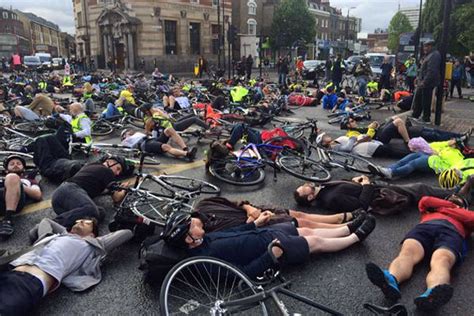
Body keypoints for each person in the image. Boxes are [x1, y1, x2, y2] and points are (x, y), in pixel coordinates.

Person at [163, 209, 376, 279]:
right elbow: (242, 273)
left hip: (264, 233)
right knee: (315, 242)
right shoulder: (203, 261)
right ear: (189, 239)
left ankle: (347, 227)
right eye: (193, 226)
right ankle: (355, 237)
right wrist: (271, 255)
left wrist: (255, 223)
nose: (198, 223)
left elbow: (234, 232)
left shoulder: (205, 239)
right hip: (271, 247)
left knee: (307, 230)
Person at [365, 177, 474, 311]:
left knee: (442, 260)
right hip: (426, 228)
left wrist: (446, 207)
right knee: (407, 253)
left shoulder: (437, 210)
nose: (452, 200)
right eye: (450, 198)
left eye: (457, 201)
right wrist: (455, 208)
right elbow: (425, 200)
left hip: (452, 232)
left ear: (465, 206)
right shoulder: (433, 208)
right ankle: (390, 279)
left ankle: (433, 293)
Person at [0, 217, 132, 315]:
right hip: (8, 269)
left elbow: (126, 233)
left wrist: (97, 239)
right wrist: (57, 233)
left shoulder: (90, 245)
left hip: (28, 282)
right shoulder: (56, 236)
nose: (80, 222)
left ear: (92, 234)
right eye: (79, 220)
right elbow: (46, 221)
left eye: (86, 223)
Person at [293, 175, 460, 215]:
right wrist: (365, 185)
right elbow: (360, 206)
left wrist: (355, 180)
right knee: (419, 188)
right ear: (309, 198)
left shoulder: (323, 188)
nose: (304, 185)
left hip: (375, 187)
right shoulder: (330, 199)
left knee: (417, 190)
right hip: (379, 195)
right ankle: (456, 194)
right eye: (303, 189)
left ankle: (451, 197)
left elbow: (346, 185)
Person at [193, 197, 366, 230]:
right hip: (258, 224)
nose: (197, 226)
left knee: (299, 214)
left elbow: (233, 202)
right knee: (301, 223)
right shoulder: (206, 233)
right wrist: (253, 221)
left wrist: (248, 208)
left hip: (255, 209)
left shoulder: (204, 204)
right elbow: (236, 235)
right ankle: (345, 225)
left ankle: (341, 217)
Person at [51, 156, 128, 229]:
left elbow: (94, 186)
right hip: (70, 190)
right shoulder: (107, 171)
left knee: (100, 212)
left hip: (62, 202)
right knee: (91, 210)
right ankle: (52, 224)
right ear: (109, 162)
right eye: (118, 168)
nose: (117, 173)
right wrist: (124, 189)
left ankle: (68, 228)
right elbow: (116, 198)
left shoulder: (93, 165)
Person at [370, 138, 474, 181]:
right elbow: (432, 145)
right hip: (431, 157)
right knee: (407, 158)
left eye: (454, 142)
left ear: (457, 147)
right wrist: (446, 143)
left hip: (435, 164)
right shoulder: (445, 146)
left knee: (413, 163)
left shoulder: (457, 155)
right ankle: (386, 170)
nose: (452, 141)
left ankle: (392, 173)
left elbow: (453, 167)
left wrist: (439, 154)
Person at [341, 115, 468, 145]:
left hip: (380, 131)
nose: (354, 121)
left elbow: (371, 128)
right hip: (379, 138)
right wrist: (371, 129)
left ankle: (460, 135)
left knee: (394, 117)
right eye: (351, 121)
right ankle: (408, 141)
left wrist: (373, 124)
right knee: (398, 121)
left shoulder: (358, 127)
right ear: (348, 126)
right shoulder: (351, 134)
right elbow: (364, 140)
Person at [0, 155, 42, 239]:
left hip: (14, 203)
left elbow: (37, 194)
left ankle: (7, 220)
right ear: (6, 169)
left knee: (13, 177)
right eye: (12, 164)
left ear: (23, 168)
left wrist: (19, 183)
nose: (15, 165)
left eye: (18, 163)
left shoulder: (29, 180)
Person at [121, 128, 197, 161]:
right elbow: (126, 150)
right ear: (124, 135)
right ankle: (187, 154)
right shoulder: (126, 141)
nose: (130, 132)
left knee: (168, 130)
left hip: (152, 139)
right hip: (146, 145)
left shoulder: (136, 134)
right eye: (128, 132)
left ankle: (185, 148)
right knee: (165, 147)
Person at [412, 40, 441, 123]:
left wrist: (424, 82)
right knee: (419, 98)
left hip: (428, 83)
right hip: (423, 81)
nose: (425, 48)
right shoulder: (429, 55)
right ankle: (416, 115)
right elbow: (423, 70)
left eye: (426, 46)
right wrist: (419, 78)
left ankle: (426, 118)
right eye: (424, 46)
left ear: (431, 46)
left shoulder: (434, 55)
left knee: (425, 100)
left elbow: (431, 71)